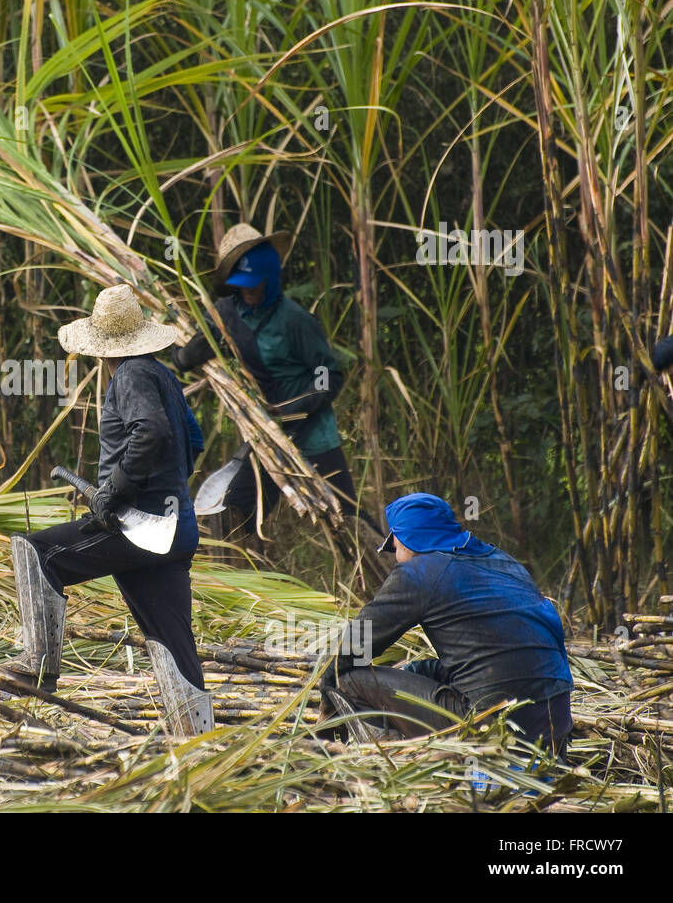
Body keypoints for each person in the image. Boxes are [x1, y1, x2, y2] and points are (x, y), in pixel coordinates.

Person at [0, 283, 213, 736]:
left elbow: (150, 432)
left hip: (139, 527)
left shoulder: (129, 376)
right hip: (176, 529)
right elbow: (192, 440)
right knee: (173, 641)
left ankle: (38, 669)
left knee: (37, 553)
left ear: (101, 347)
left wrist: (117, 491)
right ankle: (198, 742)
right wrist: (163, 489)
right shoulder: (164, 376)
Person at [320, 492, 574, 755]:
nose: (396, 558)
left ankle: (395, 759)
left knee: (349, 679)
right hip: (553, 729)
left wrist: (326, 695)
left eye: (395, 548)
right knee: (419, 670)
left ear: (406, 541)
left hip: (493, 731)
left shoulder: (420, 573)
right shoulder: (504, 562)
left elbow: (353, 647)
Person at [172, 223, 372, 538]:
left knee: (347, 518)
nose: (250, 291)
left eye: (257, 282)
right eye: (243, 283)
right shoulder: (225, 313)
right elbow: (186, 359)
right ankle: (247, 575)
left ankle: (395, 570)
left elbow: (329, 376)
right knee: (235, 509)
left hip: (311, 434)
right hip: (266, 435)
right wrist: (181, 348)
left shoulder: (295, 320)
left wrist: (295, 408)